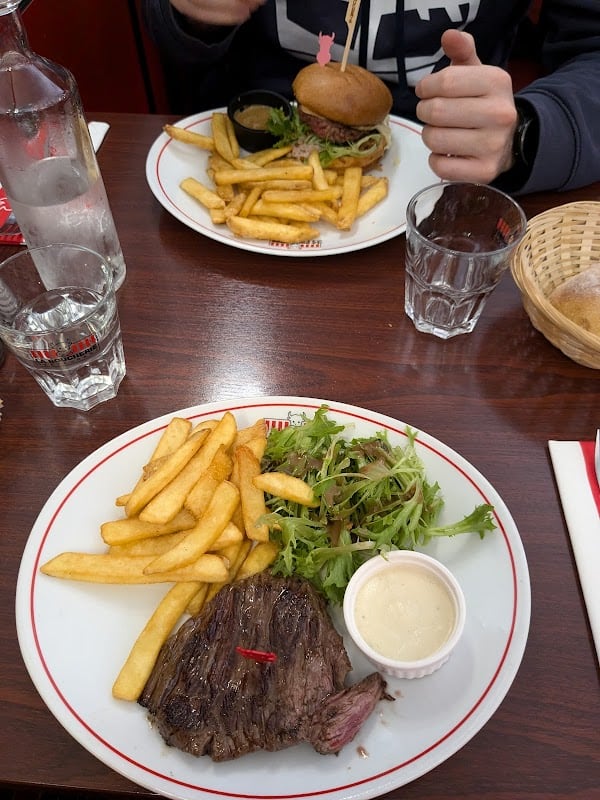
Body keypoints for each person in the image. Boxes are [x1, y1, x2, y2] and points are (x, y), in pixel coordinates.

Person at [141, 0, 600, 195]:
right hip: (252, 144)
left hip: (459, 188)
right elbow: (172, 36)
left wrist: (527, 133)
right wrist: (195, 17)